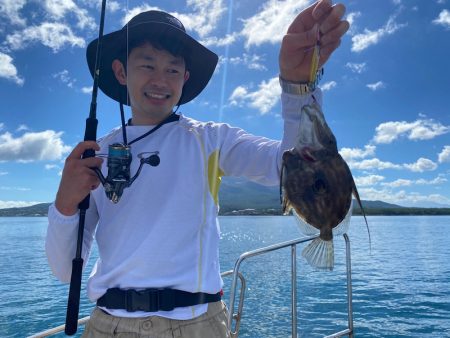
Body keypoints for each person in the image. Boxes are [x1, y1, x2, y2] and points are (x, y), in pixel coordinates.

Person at [46, 1, 349, 337]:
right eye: (147, 65)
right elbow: (64, 270)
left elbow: (289, 164)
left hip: (197, 325)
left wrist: (296, 86)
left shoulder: (211, 140)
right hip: (108, 325)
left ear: (185, 78)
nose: (160, 80)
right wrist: (64, 203)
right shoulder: (95, 154)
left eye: (173, 70)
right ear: (121, 72)